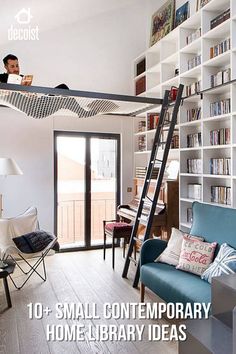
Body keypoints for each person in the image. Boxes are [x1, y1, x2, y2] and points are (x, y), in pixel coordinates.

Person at [0, 54, 69, 89]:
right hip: (15, 103)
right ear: (6, 67)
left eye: (17, 66)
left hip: (33, 105)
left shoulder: (23, 78)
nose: (16, 69)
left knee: (63, 87)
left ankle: (78, 112)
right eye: (12, 66)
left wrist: (32, 93)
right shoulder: (1, 78)